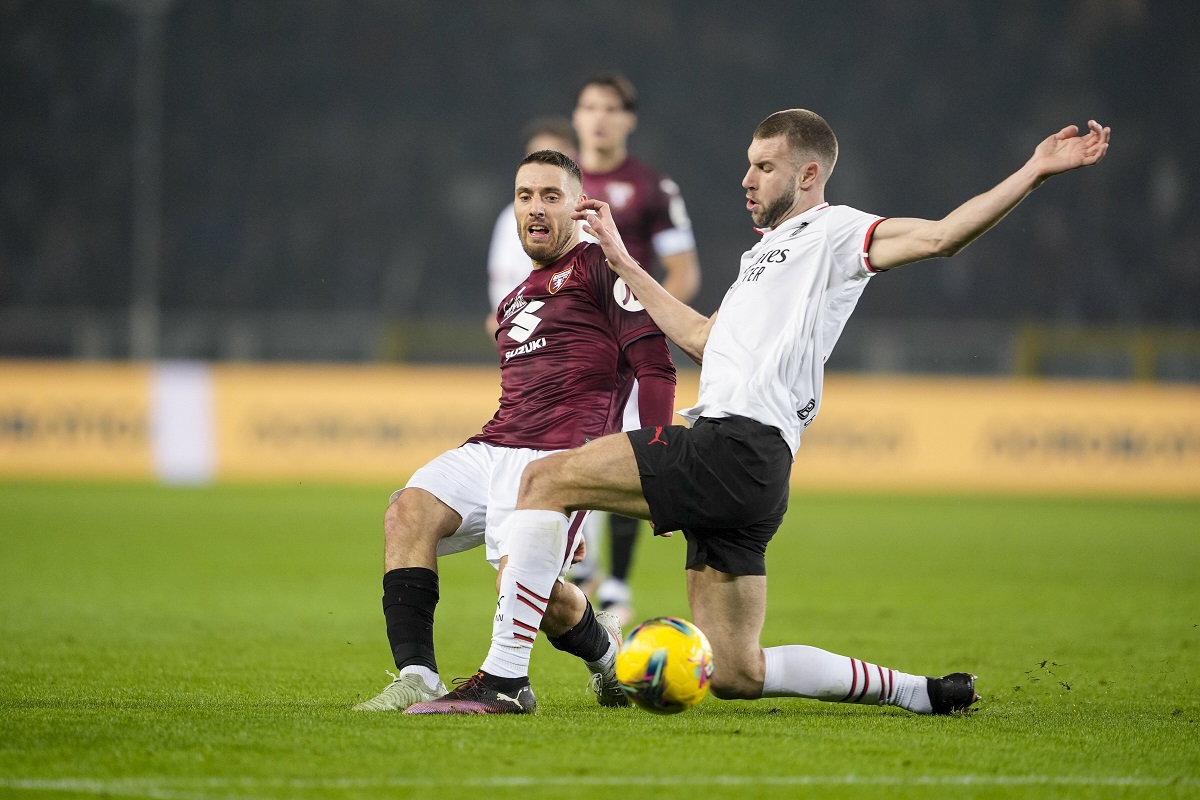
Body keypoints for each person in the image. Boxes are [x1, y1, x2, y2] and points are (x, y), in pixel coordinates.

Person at [406, 110, 1110, 715]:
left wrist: (1035, 171)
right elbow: (703, 338)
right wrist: (620, 258)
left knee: (544, 480)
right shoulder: (761, 259)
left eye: (764, 166)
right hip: (755, 472)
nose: (747, 179)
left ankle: (502, 679)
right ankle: (918, 692)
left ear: (808, 175)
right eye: (748, 165)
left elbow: (943, 235)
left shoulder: (835, 232)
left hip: (732, 446)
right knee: (739, 672)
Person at [355, 149, 676, 712]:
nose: (535, 207)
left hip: (557, 464)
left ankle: (584, 662)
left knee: (533, 595)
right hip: (492, 446)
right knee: (407, 511)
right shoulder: (513, 300)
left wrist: (657, 461)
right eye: (525, 195)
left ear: (578, 207)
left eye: (551, 196)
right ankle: (418, 677)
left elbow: (656, 367)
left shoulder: (603, 268)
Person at [570, 71, 702, 624]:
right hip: (569, 348)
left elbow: (684, 271)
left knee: (630, 452)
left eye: (609, 108)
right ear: (576, 117)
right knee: (560, 451)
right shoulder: (554, 187)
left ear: (628, 120)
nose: (598, 117)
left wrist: (640, 324)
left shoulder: (651, 187)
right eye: (588, 106)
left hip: (626, 350)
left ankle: (617, 584)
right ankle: (575, 566)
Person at [485, 117, 579, 338]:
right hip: (526, 327)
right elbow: (502, 281)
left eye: (554, 157)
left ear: (574, 158)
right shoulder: (511, 216)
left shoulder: (594, 213)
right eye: (535, 157)